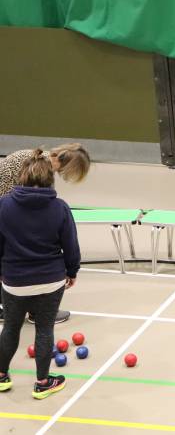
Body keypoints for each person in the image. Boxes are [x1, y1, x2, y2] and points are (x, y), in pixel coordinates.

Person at [0, 149, 80, 399]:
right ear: (50, 179)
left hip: (14, 281)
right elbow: (71, 244)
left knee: (11, 328)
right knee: (44, 330)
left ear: (22, 176)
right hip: (51, 279)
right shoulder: (60, 207)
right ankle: (43, 383)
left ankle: (1, 376)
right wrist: (72, 270)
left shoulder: (3, 205)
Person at [0, 143, 90, 324]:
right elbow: (23, 203)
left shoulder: (41, 160)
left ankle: (28, 309)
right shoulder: (38, 165)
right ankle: (22, 310)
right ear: (69, 165)